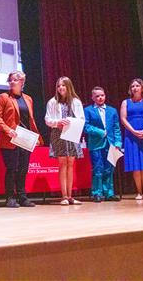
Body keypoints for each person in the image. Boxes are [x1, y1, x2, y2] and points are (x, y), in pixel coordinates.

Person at [0, 71, 43, 208]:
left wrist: (35, 137)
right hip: (10, 139)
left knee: (23, 169)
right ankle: (10, 197)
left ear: (21, 82)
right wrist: (8, 130)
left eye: (14, 80)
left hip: (25, 139)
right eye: (10, 80)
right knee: (12, 169)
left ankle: (22, 197)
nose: (11, 82)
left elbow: (30, 120)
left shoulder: (28, 99)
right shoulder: (3, 97)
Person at [45, 76, 85, 205]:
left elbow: (82, 118)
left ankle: (70, 195)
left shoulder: (76, 101)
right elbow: (47, 119)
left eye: (63, 85)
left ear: (69, 87)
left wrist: (74, 123)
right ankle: (64, 196)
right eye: (58, 86)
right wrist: (58, 122)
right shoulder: (52, 102)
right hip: (58, 134)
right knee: (62, 164)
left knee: (71, 164)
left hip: (72, 134)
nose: (60, 88)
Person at [84, 87, 122, 202]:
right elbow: (86, 126)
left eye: (102, 95)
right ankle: (97, 193)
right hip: (96, 144)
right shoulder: (88, 110)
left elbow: (116, 128)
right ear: (93, 98)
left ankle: (109, 193)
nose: (100, 98)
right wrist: (100, 132)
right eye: (97, 96)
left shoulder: (112, 110)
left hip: (111, 144)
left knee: (109, 169)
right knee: (97, 168)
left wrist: (118, 142)